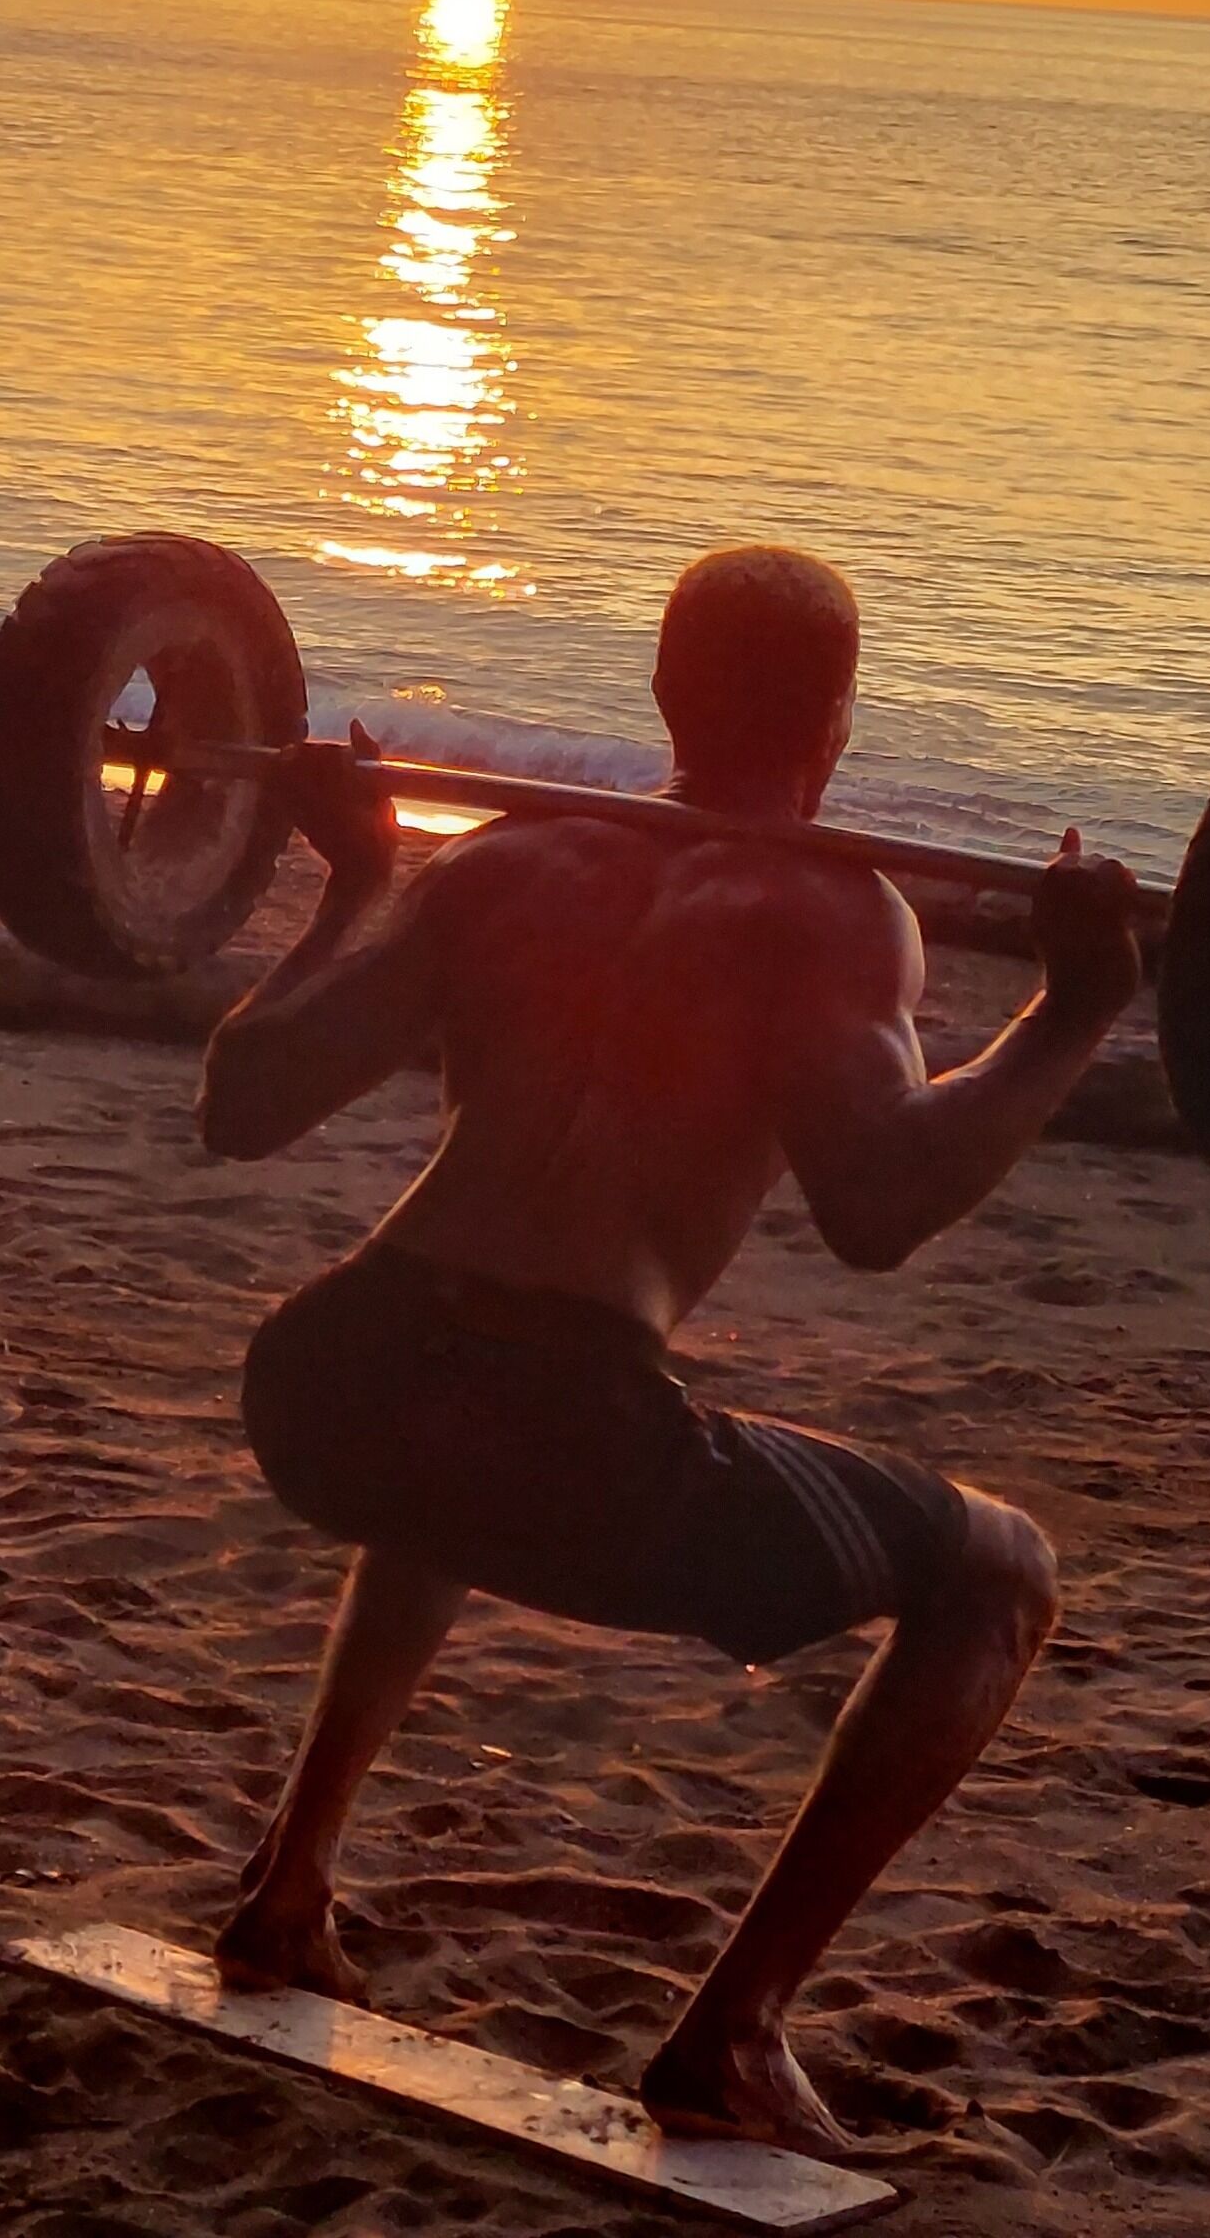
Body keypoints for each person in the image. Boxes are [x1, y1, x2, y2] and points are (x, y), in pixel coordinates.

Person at [197, 545, 1143, 2163]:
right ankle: (740, 2038)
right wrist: (1071, 1011)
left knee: (447, 1454)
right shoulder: (836, 915)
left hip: (332, 1376)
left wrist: (356, 876)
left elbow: (246, 1097)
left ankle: (288, 1891)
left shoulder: (506, 860)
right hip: (571, 1431)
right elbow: (882, 1204)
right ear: (838, 722)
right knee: (1002, 1576)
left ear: (657, 691)